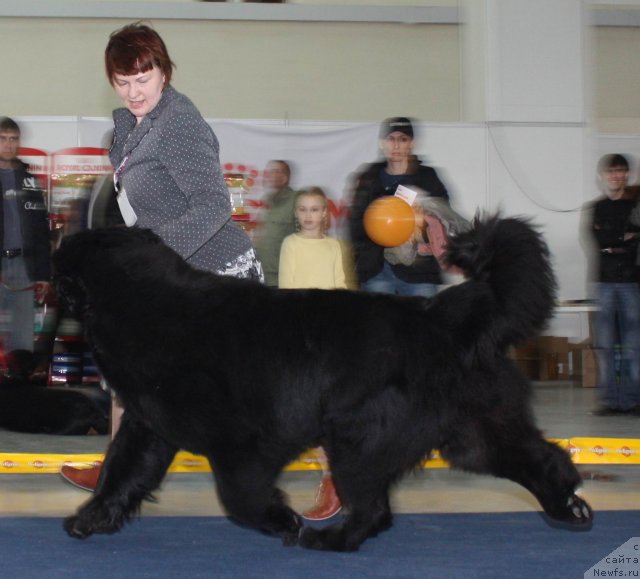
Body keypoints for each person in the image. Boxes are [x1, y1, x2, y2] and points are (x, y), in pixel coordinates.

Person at [60, 22, 262, 491]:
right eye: (123, 81)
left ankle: (335, 463)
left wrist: (148, 261)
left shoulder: (179, 122)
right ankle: (117, 471)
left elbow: (213, 205)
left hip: (215, 274)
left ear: (164, 73)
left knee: (255, 391)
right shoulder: (133, 126)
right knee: (127, 366)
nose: (133, 91)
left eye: (143, 79)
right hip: (167, 276)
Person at [278, 187, 345, 520]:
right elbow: (287, 292)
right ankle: (333, 475)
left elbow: (341, 287)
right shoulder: (290, 245)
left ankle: (335, 479)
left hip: (331, 340)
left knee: (326, 412)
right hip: (300, 339)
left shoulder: (334, 246)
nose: (308, 215)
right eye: (303, 209)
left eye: (315, 209)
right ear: (296, 214)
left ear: (325, 214)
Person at [348, 117, 450, 297]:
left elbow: (444, 219)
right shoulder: (368, 178)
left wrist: (421, 225)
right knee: (379, 325)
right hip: (377, 272)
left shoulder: (428, 177)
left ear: (412, 143)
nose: (396, 146)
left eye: (403, 139)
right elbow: (354, 224)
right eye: (391, 139)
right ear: (382, 143)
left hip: (419, 273)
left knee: (423, 324)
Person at [587, 153, 640, 416]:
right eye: (612, 171)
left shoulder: (635, 205)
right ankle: (610, 401)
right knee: (605, 345)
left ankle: (631, 401)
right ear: (603, 176)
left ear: (627, 174)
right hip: (605, 283)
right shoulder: (597, 207)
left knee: (634, 345)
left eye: (621, 171)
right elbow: (599, 241)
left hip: (632, 282)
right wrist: (623, 237)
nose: (617, 175)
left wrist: (615, 242)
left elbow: (632, 241)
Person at [0, 117, 52, 382]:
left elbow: (41, 230)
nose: (9, 144)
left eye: (13, 139)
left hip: (23, 265)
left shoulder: (29, 180)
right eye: (3, 138)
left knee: (21, 332)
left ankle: (19, 386)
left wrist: (43, 273)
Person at [252, 160, 297, 287]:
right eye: (271, 172)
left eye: (278, 172)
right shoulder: (266, 200)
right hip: (262, 274)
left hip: (282, 277)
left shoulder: (297, 200)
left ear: (286, 177)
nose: (273, 175)